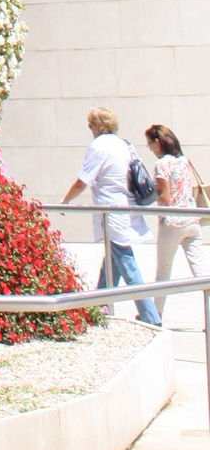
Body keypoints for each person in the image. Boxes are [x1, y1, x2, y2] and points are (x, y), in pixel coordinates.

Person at [64, 107, 161, 326]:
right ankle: (99, 305)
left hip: (112, 211)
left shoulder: (98, 147)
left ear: (97, 126)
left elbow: (83, 180)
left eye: (90, 126)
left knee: (126, 263)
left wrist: (65, 201)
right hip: (126, 209)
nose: (90, 130)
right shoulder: (124, 144)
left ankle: (151, 316)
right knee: (112, 262)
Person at [147, 125, 210, 286]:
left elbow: (166, 197)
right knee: (201, 272)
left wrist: (150, 192)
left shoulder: (161, 164)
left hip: (172, 223)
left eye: (149, 143)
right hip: (192, 220)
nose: (148, 147)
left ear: (157, 142)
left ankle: (157, 312)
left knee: (163, 272)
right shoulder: (184, 160)